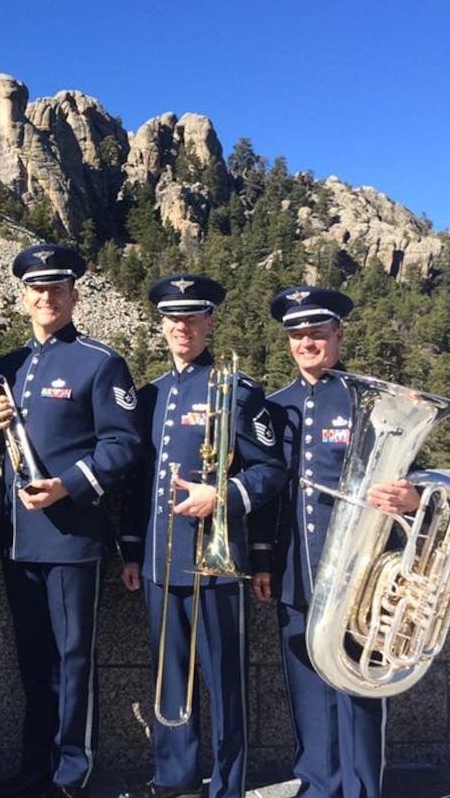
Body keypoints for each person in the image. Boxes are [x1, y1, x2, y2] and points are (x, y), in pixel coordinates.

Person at [0, 243, 143, 798]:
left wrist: (67, 485)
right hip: (18, 541)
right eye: (36, 289)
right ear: (24, 296)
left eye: (57, 289)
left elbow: (122, 446)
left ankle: (72, 774)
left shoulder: (99, 361)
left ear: (74, 294)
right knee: (34, 662)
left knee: (73, 660)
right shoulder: (5, 366)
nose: (46, 297)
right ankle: (34, 769)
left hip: (71, 537)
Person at [118, 276, 286, 798]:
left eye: (193, 318)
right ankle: (175, 777)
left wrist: (225, 497)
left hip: (217, 564)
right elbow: (137, 480)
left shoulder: (237, 389)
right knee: (169, 676)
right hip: (159, 562)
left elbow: (270, 471)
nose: (182, 327)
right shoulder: (152, 395)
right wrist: (129, 549)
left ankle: (229, 782)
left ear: (209, 323)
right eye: (173, 319)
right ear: (162, 326)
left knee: (224, 681)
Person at [257, 286, 421, 798]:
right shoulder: (274, 406)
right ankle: (317, 783)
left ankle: (361, 786)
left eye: (317, 333)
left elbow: (409, 470)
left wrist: (412, 494)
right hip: (295, 570)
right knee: (307, 687)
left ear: (338, 335)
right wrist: (264, 562)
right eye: (298, 334)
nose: (307, 342)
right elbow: (269, 493)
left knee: (359, 684)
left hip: (359, 575)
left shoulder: (369, 401)